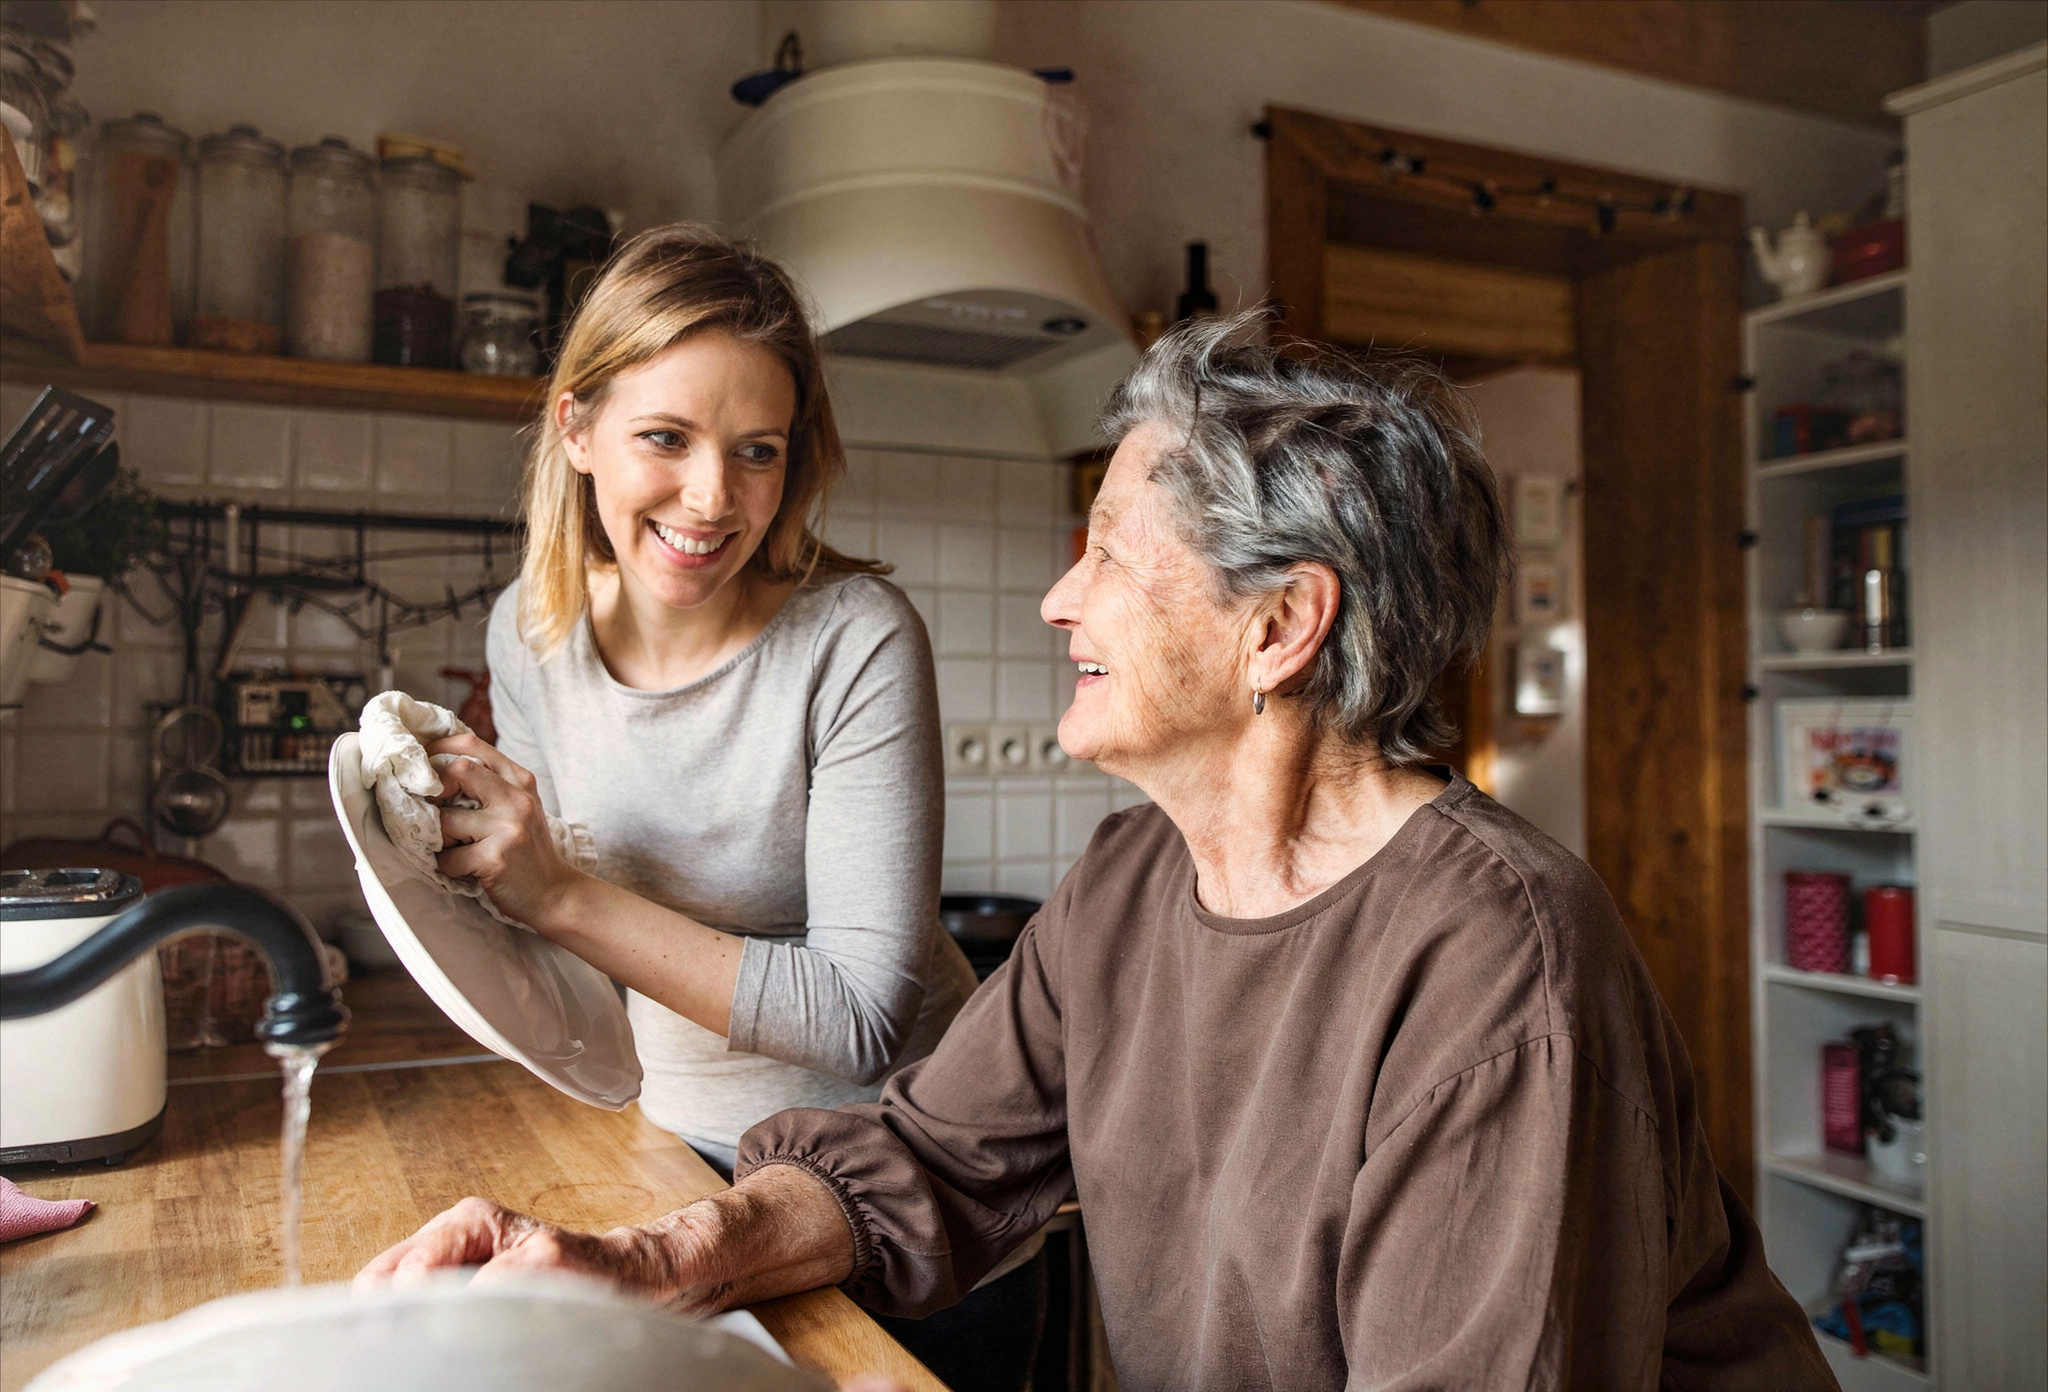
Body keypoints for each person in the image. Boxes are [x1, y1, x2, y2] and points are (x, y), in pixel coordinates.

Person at [362, 313, 1839, 1391]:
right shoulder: (1135, 881)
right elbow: (928, 1164)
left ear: (1279, 628)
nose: (1061, 599)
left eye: (1111, 557)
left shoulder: (1495, 965)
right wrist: (649, 1261)